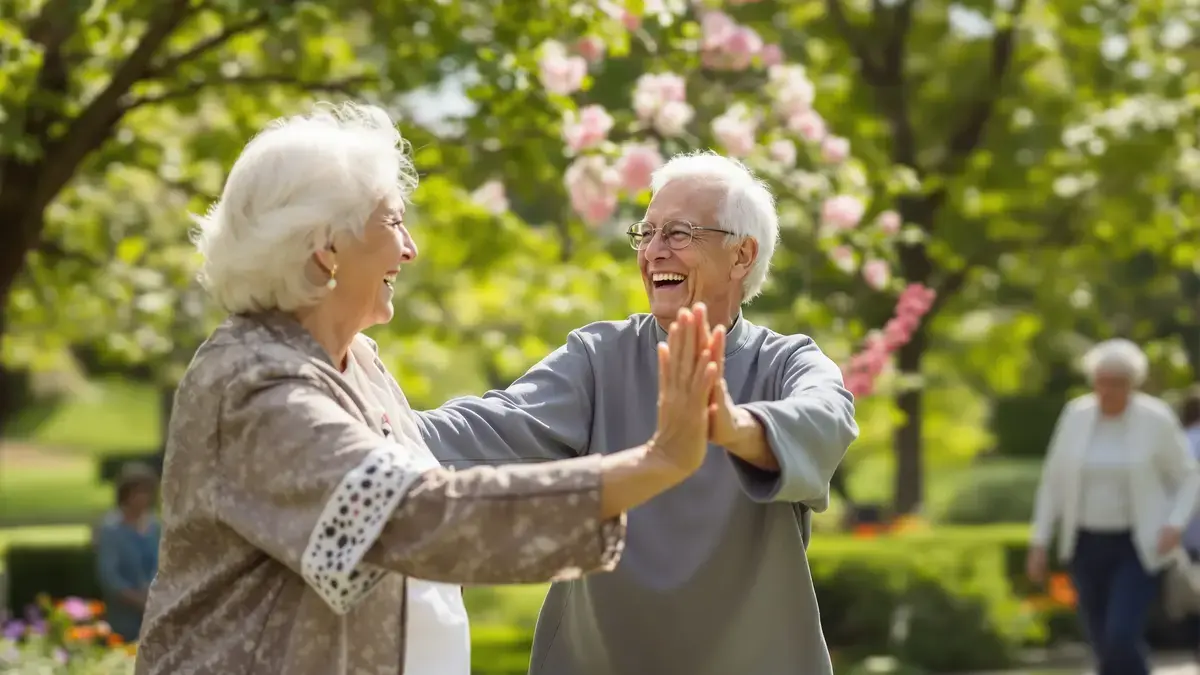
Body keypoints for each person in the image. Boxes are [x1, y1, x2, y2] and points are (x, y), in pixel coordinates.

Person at [133, 102, 722, 675]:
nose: (410, 249)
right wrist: (655, 463)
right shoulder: (252, 385)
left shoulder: (356, 363)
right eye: (393, 222)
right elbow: (416, 516)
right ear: (326, 247)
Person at [417, 151, 860, 675]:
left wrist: (732, 426)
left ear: (742, 255)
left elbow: (827, 418)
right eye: (646, 233)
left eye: (678, 234)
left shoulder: (786, 362)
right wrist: (368, 415)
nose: (652, 252)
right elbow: (490, 426)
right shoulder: (597, 357)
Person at [1027, 339, 1200, 675]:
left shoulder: (1155, 419)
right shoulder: (1076, 415)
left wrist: (1175, 523)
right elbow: (1053, 481)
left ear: (1133, 384)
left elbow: (1188, 477)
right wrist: (1039, 540)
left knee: (1121, 635)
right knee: (1102, 644)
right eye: (1102, 382)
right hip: (1085, 544)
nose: (1108, 391)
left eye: (1117, 383)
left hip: (1137, 547)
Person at [94, 462, 161, 642]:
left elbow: (162, 563)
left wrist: (152, 596)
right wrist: (137, 600)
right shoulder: (111, 529)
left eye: (147, 492)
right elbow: (109, 576)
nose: (143, 498)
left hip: (155, 609)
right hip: (123, 615)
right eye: (137, 492)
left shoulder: (155, 526)